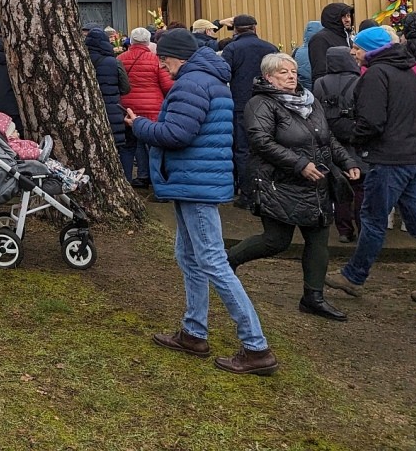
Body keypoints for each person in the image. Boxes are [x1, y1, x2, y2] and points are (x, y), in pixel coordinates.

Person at [126, 29, 277, 376]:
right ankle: (194, 332)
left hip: (195, 184)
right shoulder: (210, 80)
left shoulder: (191, 84)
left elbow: (176, 134)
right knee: (189, 256)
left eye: (164, 60)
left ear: (177, 56)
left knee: (211, 260)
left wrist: (141, 126)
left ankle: (256, 346)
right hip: (196, 182)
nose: (162, 66)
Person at [228, 53, 361, 321]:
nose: (291, 77)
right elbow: (261, 141)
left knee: (318, 239)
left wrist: (347, 161)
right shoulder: (260, 103)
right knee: (275, 241)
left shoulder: (310, 102)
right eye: (283, 73)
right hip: (279, 182)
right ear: (268, 77)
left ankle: (313, 297)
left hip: (316, 182)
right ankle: (224, 264)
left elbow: (327, 138)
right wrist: (299, 163)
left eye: (293, 72)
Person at [326, 26, 416, 305]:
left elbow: (372, 122)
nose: (353, 52)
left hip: (388, 160)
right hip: (414, 157)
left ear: (373, 49)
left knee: (373, 221)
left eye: (358, 48)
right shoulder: (410, 72)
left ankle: (353, 276)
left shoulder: (376, 75)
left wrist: (353, 136)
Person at [220, 14, 279, 202]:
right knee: (269, 147)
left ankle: (247, 194)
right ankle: (268, 191)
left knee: (242, 149)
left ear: (235, 30)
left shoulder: (231, 49)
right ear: (255, 28)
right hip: (268, 105)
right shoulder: (270, 48)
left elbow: (223, 75)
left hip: (241, 105)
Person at [313, 47, 365, 243]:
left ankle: (343, 230)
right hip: (356, 139)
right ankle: (362, 228)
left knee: (339, 187)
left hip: (330, 140)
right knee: (360, 187)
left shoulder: (319, 83)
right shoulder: (359, 81)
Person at [118, 27, 172, 189]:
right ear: (148, 42)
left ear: (131, 42)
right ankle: (158, 184)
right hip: (152, 108)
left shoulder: (120, 58)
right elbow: (167, 85)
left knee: (134, 143)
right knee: (153, 145)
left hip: (127, 108)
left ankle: (141, 176)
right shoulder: (155, 60)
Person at [85, 27, 131, 180]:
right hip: (112, 110)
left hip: (88, 111)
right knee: (118, 147)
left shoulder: (80, 61)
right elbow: (125, 88)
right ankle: (124, 180)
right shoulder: (114, 62)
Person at [308, 2, 355, 83]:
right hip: (331, 90)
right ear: (333, 18)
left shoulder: (347, 37)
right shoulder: (320, 39)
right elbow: (320, 71)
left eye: (348, 16)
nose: (348, 20)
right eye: (343, 16)